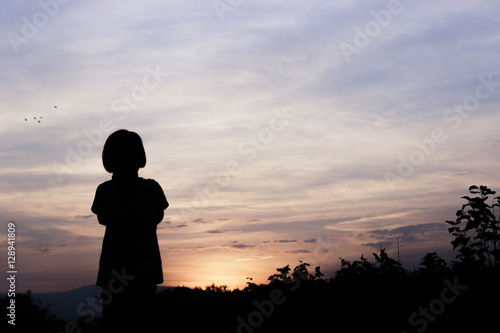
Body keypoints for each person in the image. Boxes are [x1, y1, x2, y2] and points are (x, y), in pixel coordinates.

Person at [91, 129, 169, 332]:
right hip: (145, 270)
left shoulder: (104, 191)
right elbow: (158, 215)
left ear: (108, 158)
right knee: (143, 322)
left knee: (114, 322)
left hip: (113, 270)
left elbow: (102, 218)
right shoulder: (152, 189)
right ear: (140, 156)